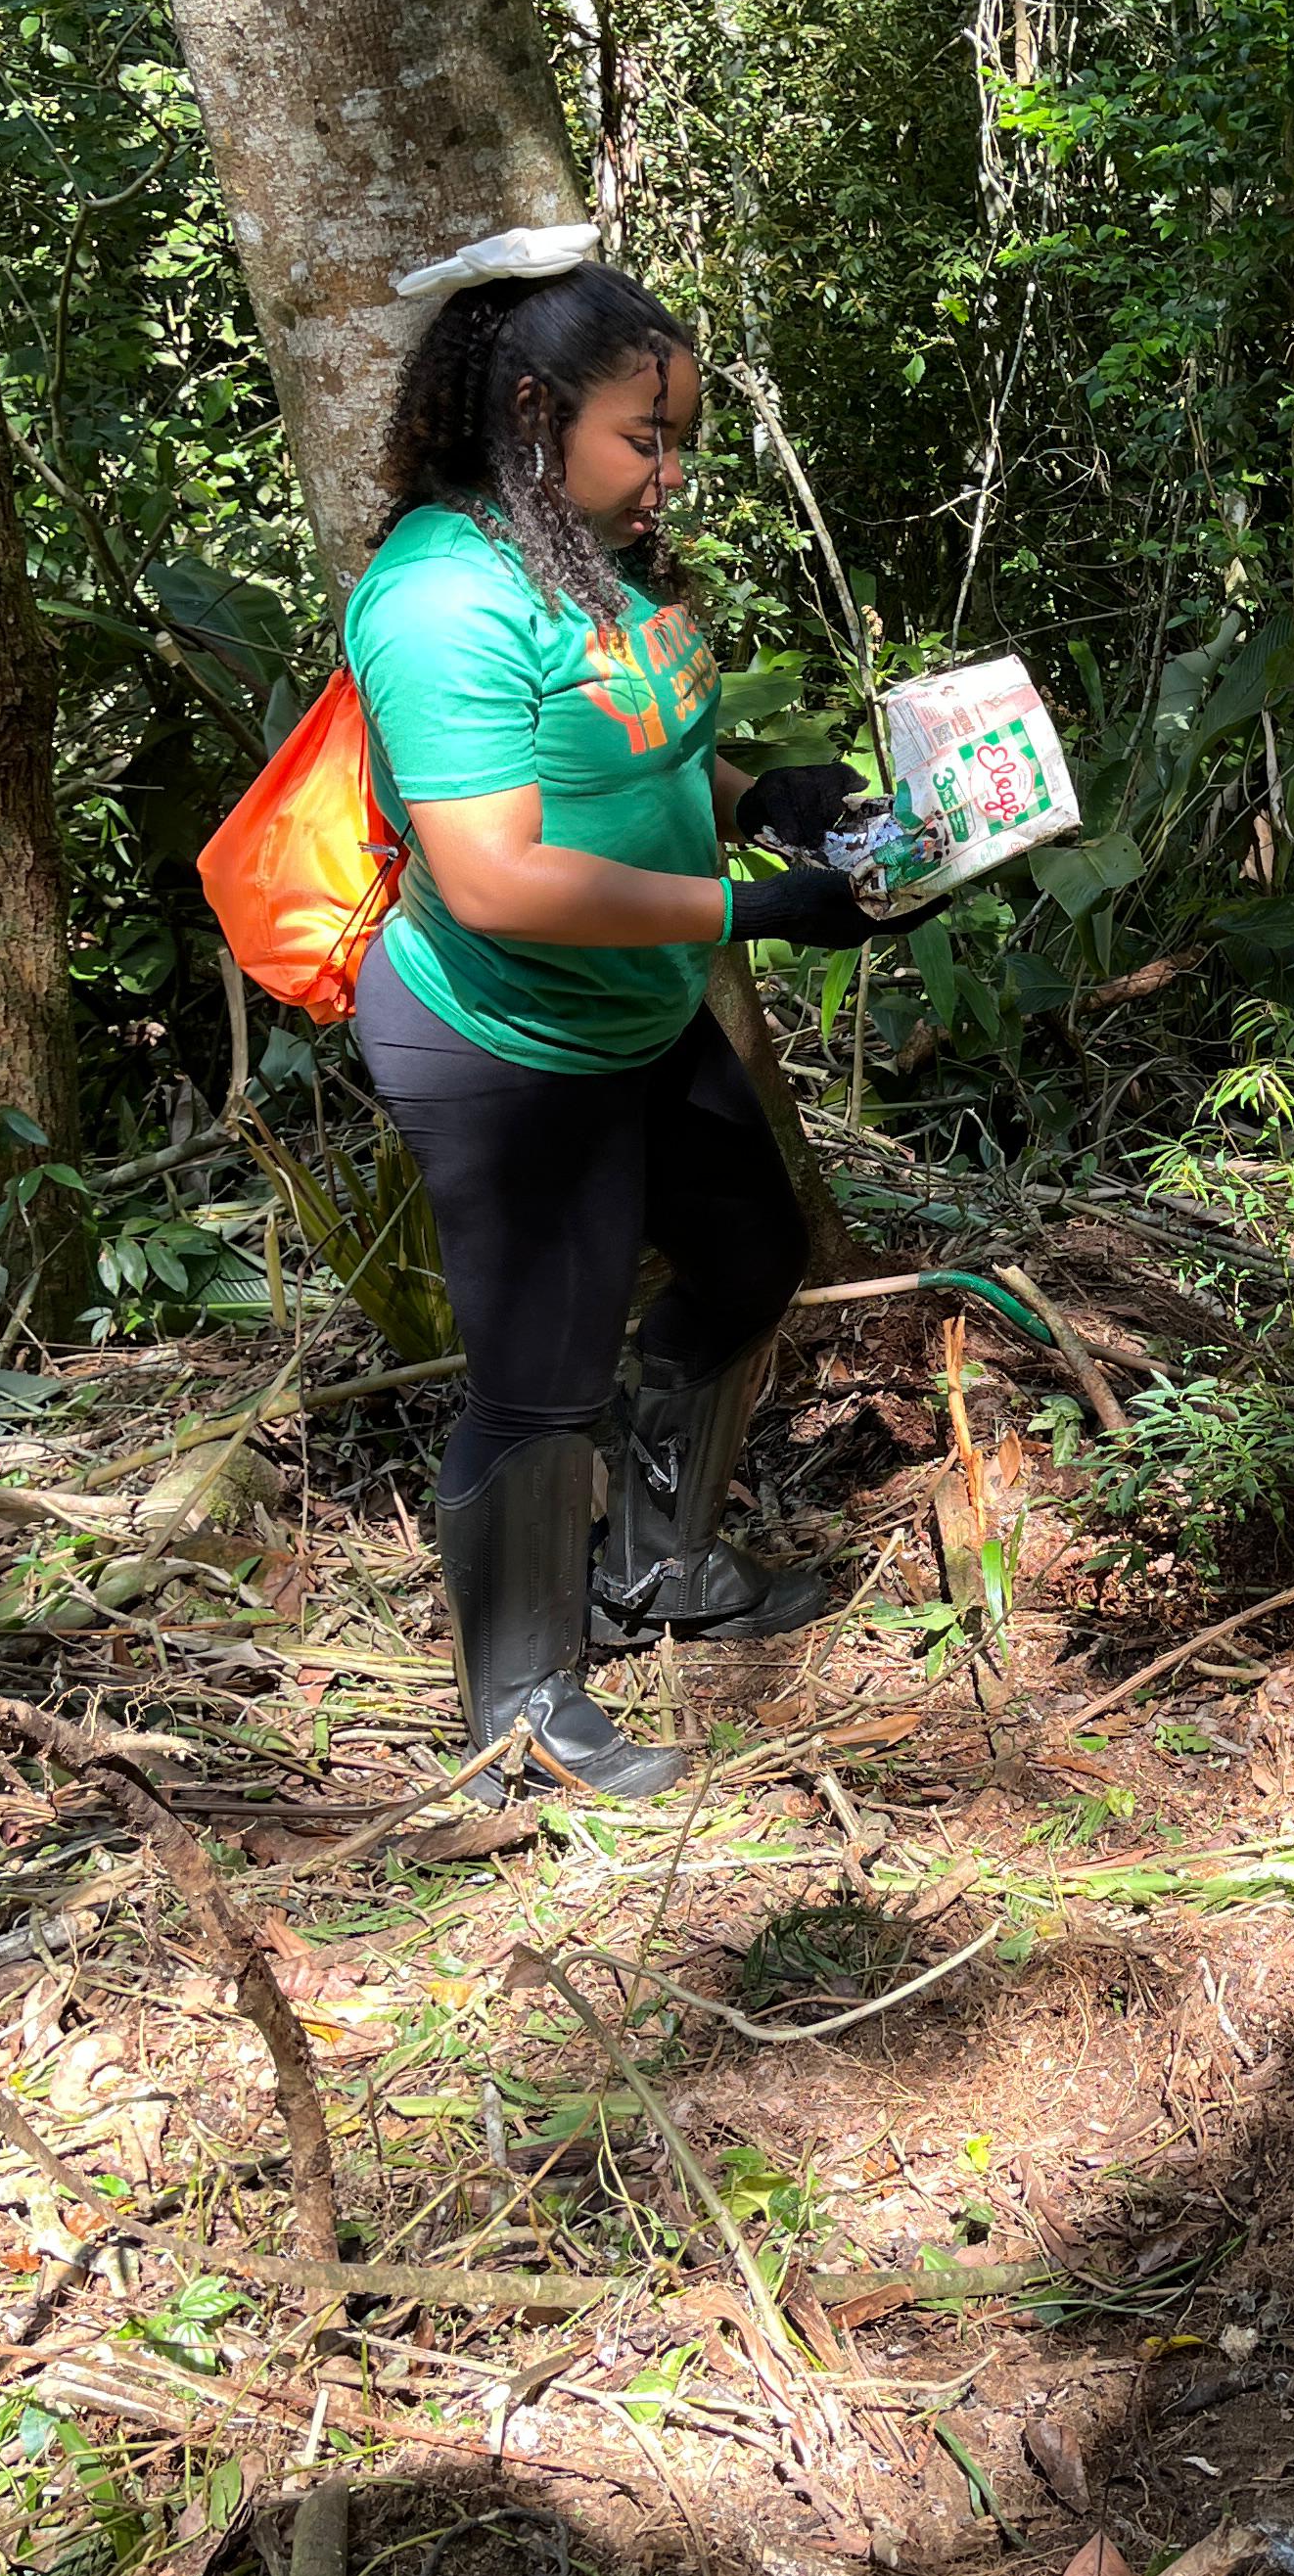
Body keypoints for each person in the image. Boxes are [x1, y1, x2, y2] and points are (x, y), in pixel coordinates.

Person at [343, 236, 886, 1799]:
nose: (666, 477)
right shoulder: (440, 597)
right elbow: (498, 877)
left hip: (635, 1011)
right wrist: (744, 910)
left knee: (752, 1255)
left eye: (676, 445)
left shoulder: (593, 550)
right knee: (539, 1372)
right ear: (531, 416)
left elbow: (630, 745)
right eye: (643, 440)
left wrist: (752, 793)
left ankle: (657, 1570)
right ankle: (518, 1710)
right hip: (504, 1040)